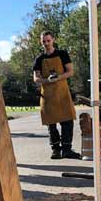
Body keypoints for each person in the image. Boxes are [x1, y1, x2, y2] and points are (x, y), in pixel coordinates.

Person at [33, 31, 81, 159]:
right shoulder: (39, 59)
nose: (46, 43)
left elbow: (70, 71)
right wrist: (47, 80)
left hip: (62, 93)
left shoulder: (62, 54)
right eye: (44, 41)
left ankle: (67, 149)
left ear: (53, 40)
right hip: (47, 96)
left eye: (48, 40)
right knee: (51, 123)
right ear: (41, 42)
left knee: (68, 121)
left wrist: (58, 77)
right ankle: (55, 150)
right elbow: (36, 79)